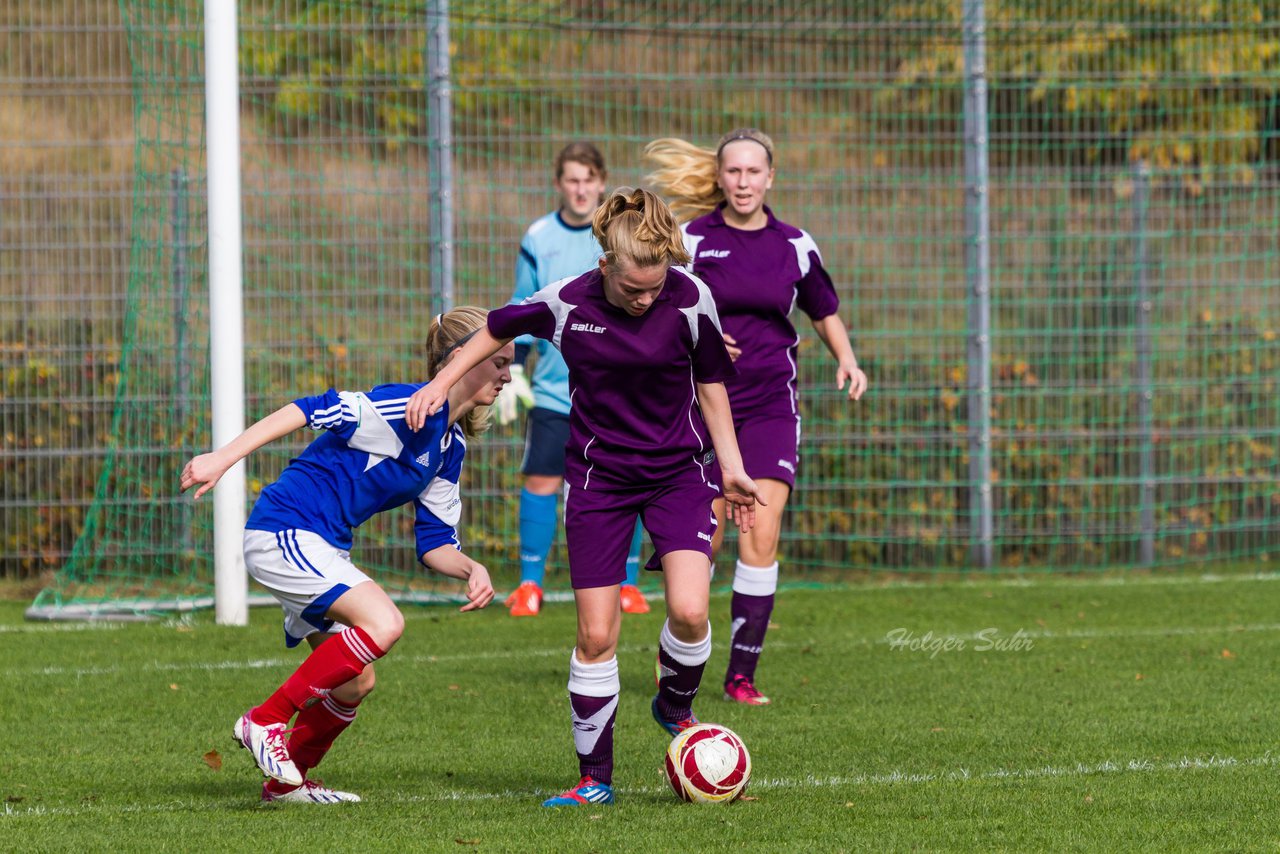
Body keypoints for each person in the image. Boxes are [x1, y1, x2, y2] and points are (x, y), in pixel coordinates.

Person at [404, 188, 763, 808]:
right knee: (597, 637)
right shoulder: (566, 302)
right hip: (599, 484)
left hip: (679, 474)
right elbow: (493, 328)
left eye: (656, 286)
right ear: (605, 267)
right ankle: (595, 780)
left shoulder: (691, 297)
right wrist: (438, 385)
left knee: (690, 612)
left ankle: (674, 708)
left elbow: (711, 385)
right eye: (633, 290)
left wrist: (731, 467)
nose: (647, 298)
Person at [179, 307, 510, 804]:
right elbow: (309, 408)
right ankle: (264, 720)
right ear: (462, 358)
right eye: (499, 360)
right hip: (285, 528)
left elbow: (435, 542)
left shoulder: (449, 443)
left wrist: (471, 568)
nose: (507, 374)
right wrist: (222, 458)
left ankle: (283, 786)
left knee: (355, 684)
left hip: (320, 544)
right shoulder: (405, 406)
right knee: (385, 622)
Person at [644, 128, 868, 707]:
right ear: (720, 178)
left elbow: (824, 310)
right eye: (734, 172)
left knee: (760, 533)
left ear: (771, 178)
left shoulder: (795, 244)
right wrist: (706, 341)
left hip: (771, 406)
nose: (743, 182)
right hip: (700, 407)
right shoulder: (691, 239)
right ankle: (676, 655)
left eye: (753, 172)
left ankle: (741, 674)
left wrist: (847, 359)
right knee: (704, 540)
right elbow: (655, 306)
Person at [499, 142, 650, 617]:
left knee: (629, 480)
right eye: (572, 179)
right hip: (553, 391)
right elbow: (524, 308)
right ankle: (529, 585)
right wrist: (515, 373)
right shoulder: (538, 236)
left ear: (602, 182)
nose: (581, 189)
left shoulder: (620, 235)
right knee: (541, 478)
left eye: (589, 179)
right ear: (559, 183)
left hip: (620, 391)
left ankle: (627, 584)